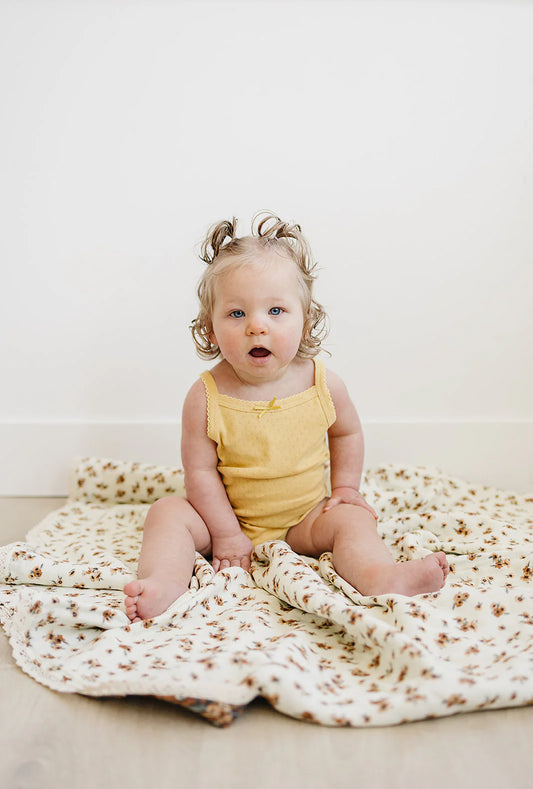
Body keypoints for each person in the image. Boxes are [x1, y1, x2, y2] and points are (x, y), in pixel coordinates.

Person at [124, 212, 449, 621]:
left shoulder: (322, 383)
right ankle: (164, 583)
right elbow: (201, 473)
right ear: (209, 328)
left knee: (352, 519)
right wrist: (226, 534)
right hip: (225, 518)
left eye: (276, 311)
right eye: (237, 314)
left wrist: (346, 487)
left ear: (305, 318)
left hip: (305, 519)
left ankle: (379, 575)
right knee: (167, 512)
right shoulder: (205, 396)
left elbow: (346, 434)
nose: (256, 327)